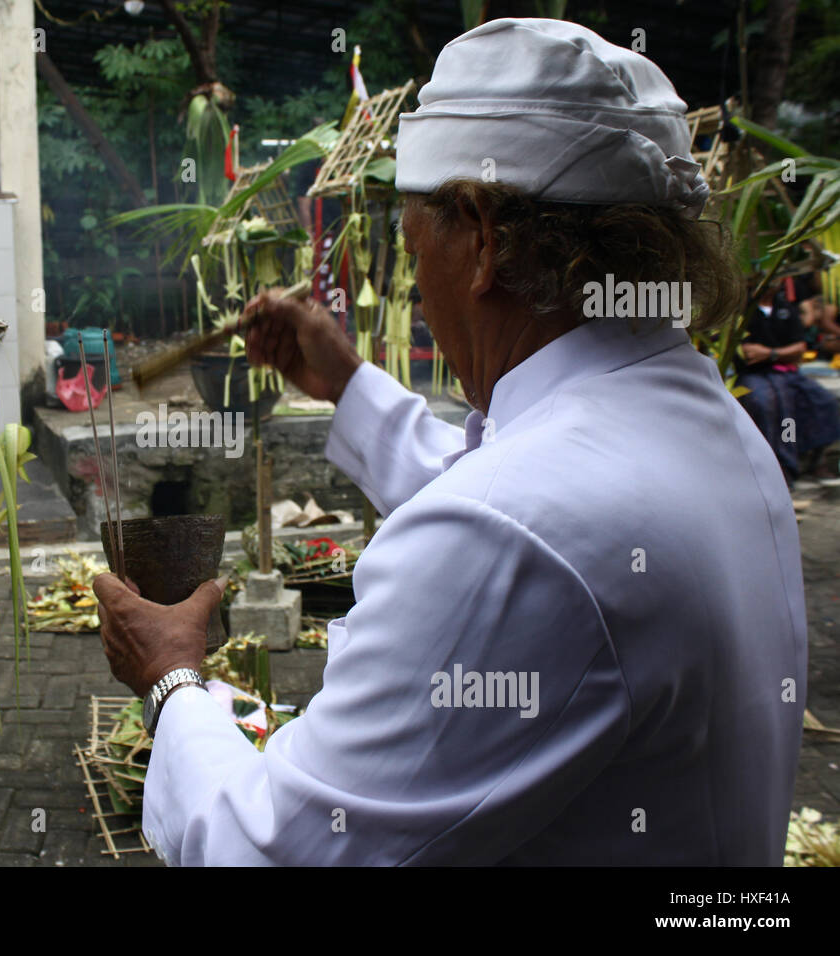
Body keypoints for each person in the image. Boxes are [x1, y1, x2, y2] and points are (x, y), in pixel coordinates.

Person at [94, 18, 807, 865]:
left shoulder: (517, 528)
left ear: (481, 237)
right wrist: (348, 385)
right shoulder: (708, 423)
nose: (417, 279)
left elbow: (271, 850)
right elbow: (518, 511)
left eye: (411, 238)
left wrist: (173, 679)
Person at [737, 283, 840, 482]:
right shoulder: (742, 309)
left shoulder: (786, 307)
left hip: (785, 372)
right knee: (768, 403)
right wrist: (779, 354)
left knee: (822, 401)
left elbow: (799, 348)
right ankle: (779, 465)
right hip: (754, 374)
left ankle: (812, 460)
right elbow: (748, 353)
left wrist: (770, 353)